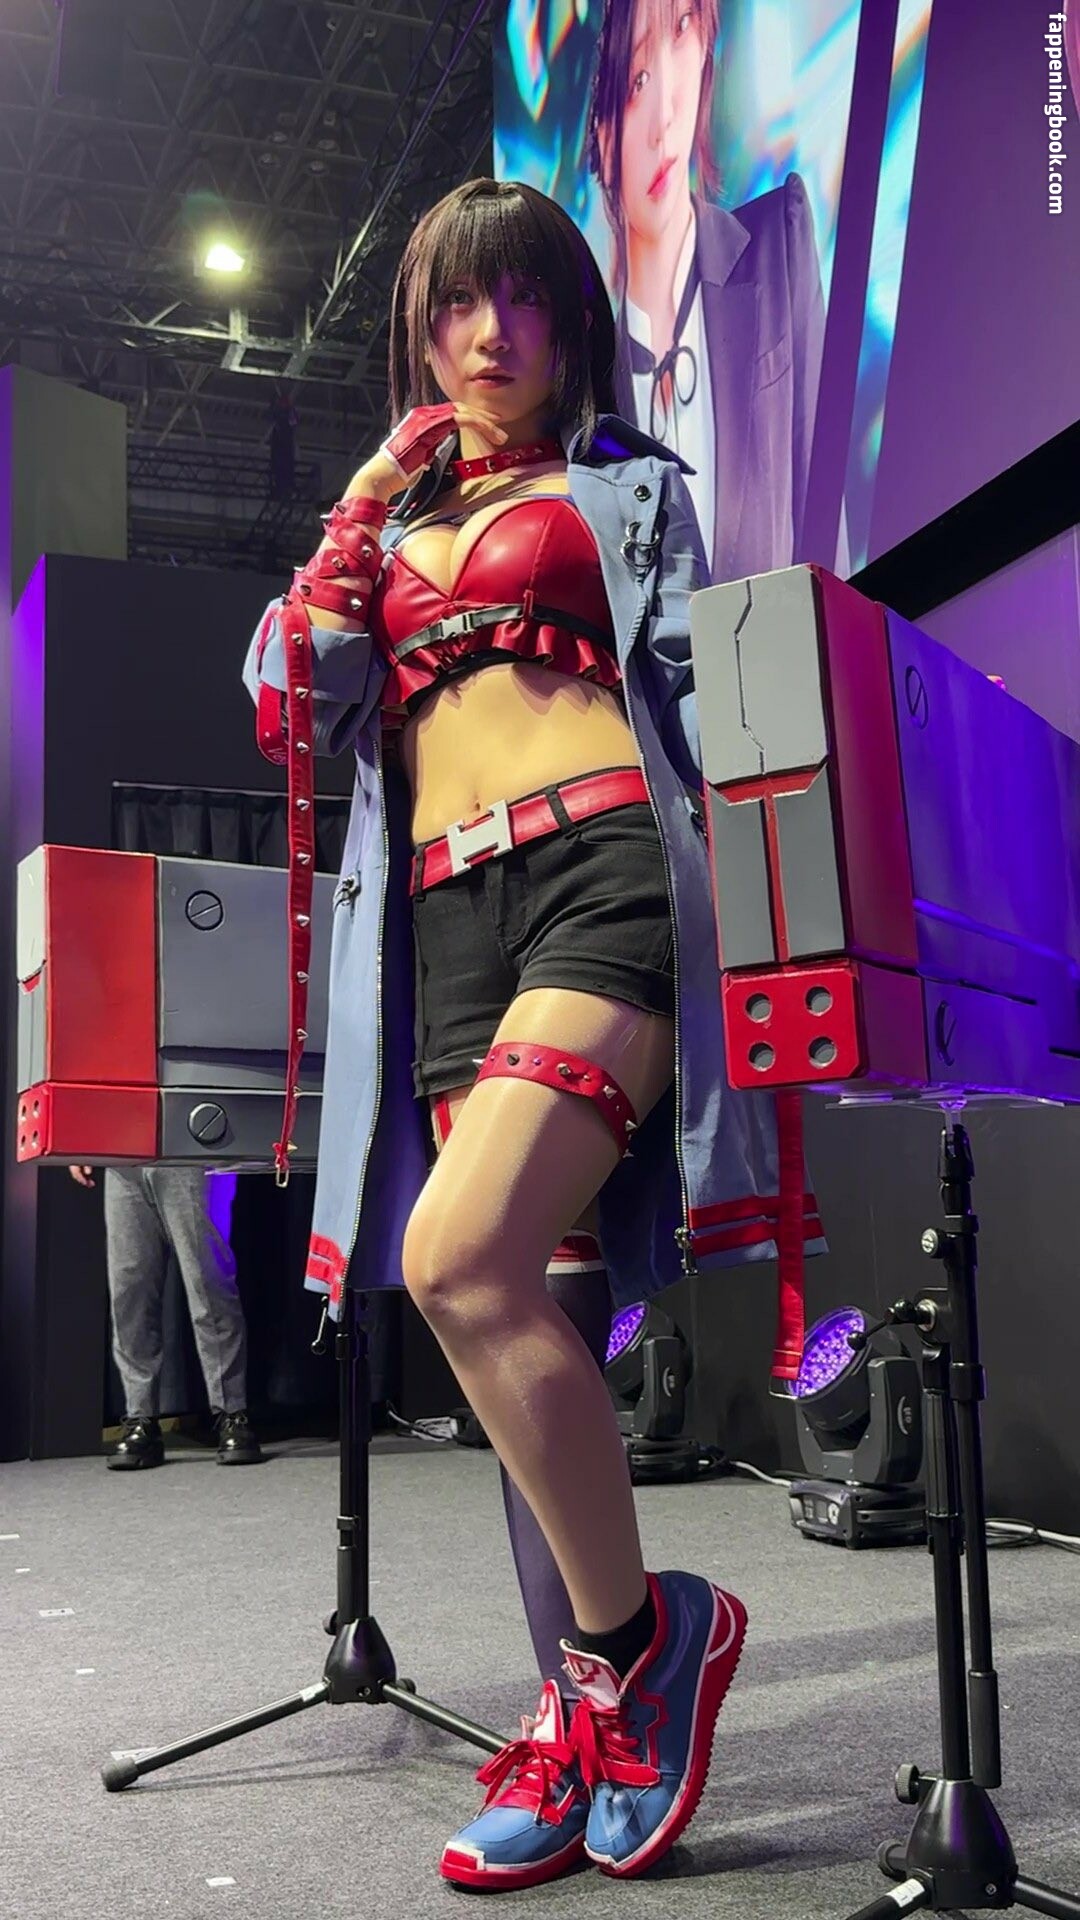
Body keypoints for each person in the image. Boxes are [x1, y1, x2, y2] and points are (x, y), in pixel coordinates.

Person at [244, 176, 820, 1888]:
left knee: (459, 1260)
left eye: (521, 300)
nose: (487, 333)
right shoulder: (386, 530)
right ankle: (590, 1718)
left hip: (603, 876)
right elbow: (288, 698)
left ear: (570, 324)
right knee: (521, 1330)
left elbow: (712, 691)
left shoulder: (627, 488)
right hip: (444, 931)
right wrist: (364, 504)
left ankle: (648, 1644)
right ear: (420, 334)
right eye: (454, 304)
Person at [588, 0, 829, 582]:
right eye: (637, 81)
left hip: (787, 638)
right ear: (602, 137)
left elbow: (822, 507)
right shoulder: (592, 374)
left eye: (682, 32)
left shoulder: (776, 244)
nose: (665, 113)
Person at [69, 1165, 262, 1469]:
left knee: (208, 1283)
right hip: (124, 1160)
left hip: (188, 1157)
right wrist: (80, 1145)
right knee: (130, 1292)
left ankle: (232, 1413)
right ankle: (140, 1418)